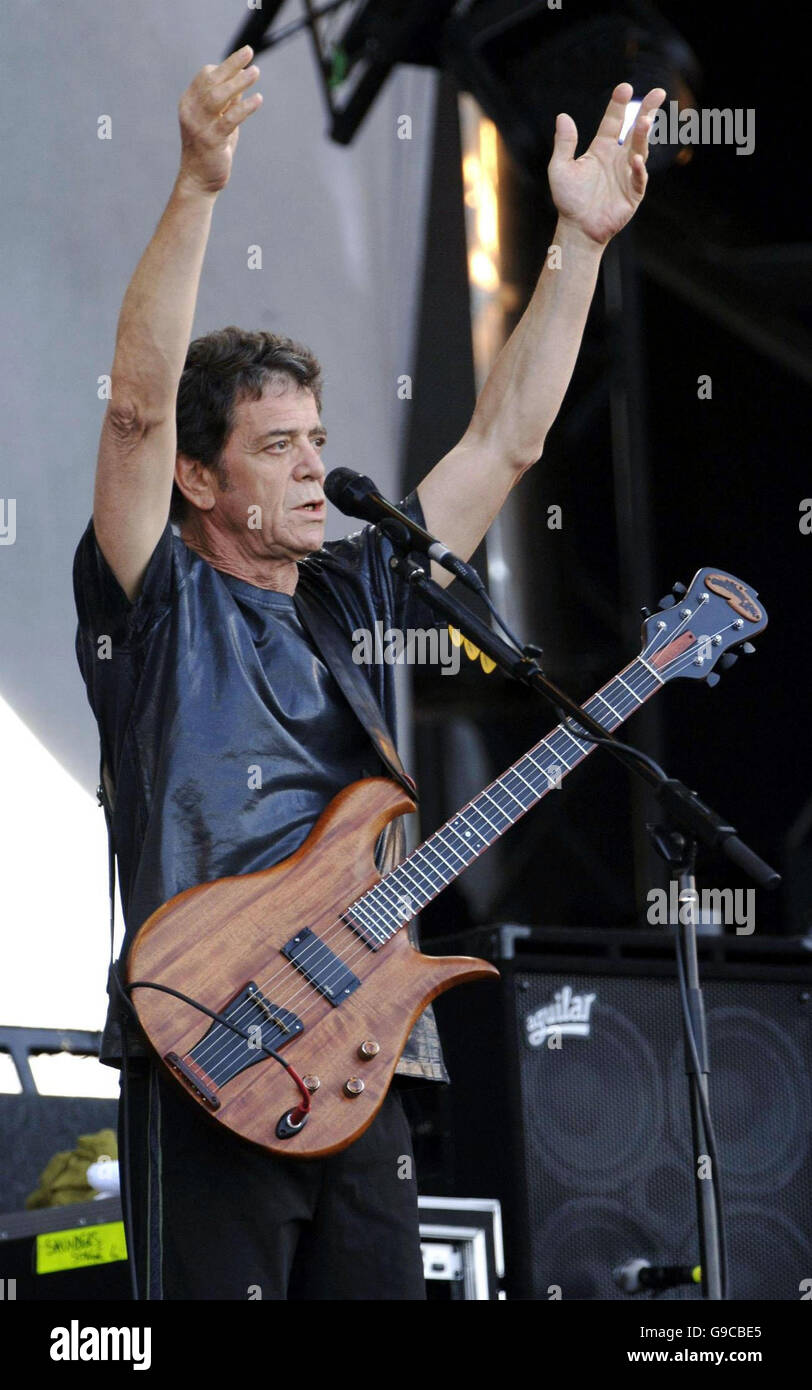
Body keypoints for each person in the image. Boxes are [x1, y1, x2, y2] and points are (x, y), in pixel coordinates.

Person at [73, 45, 663, 1300]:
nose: (309, 469)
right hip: (212, 1046)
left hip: (365, 1061)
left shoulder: (350, 593)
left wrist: (577, 245)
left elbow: (505, 439)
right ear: (198, 479)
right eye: (275, 447)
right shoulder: (159, 600)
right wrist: (195, 184)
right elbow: (134, 408)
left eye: (318, 443)